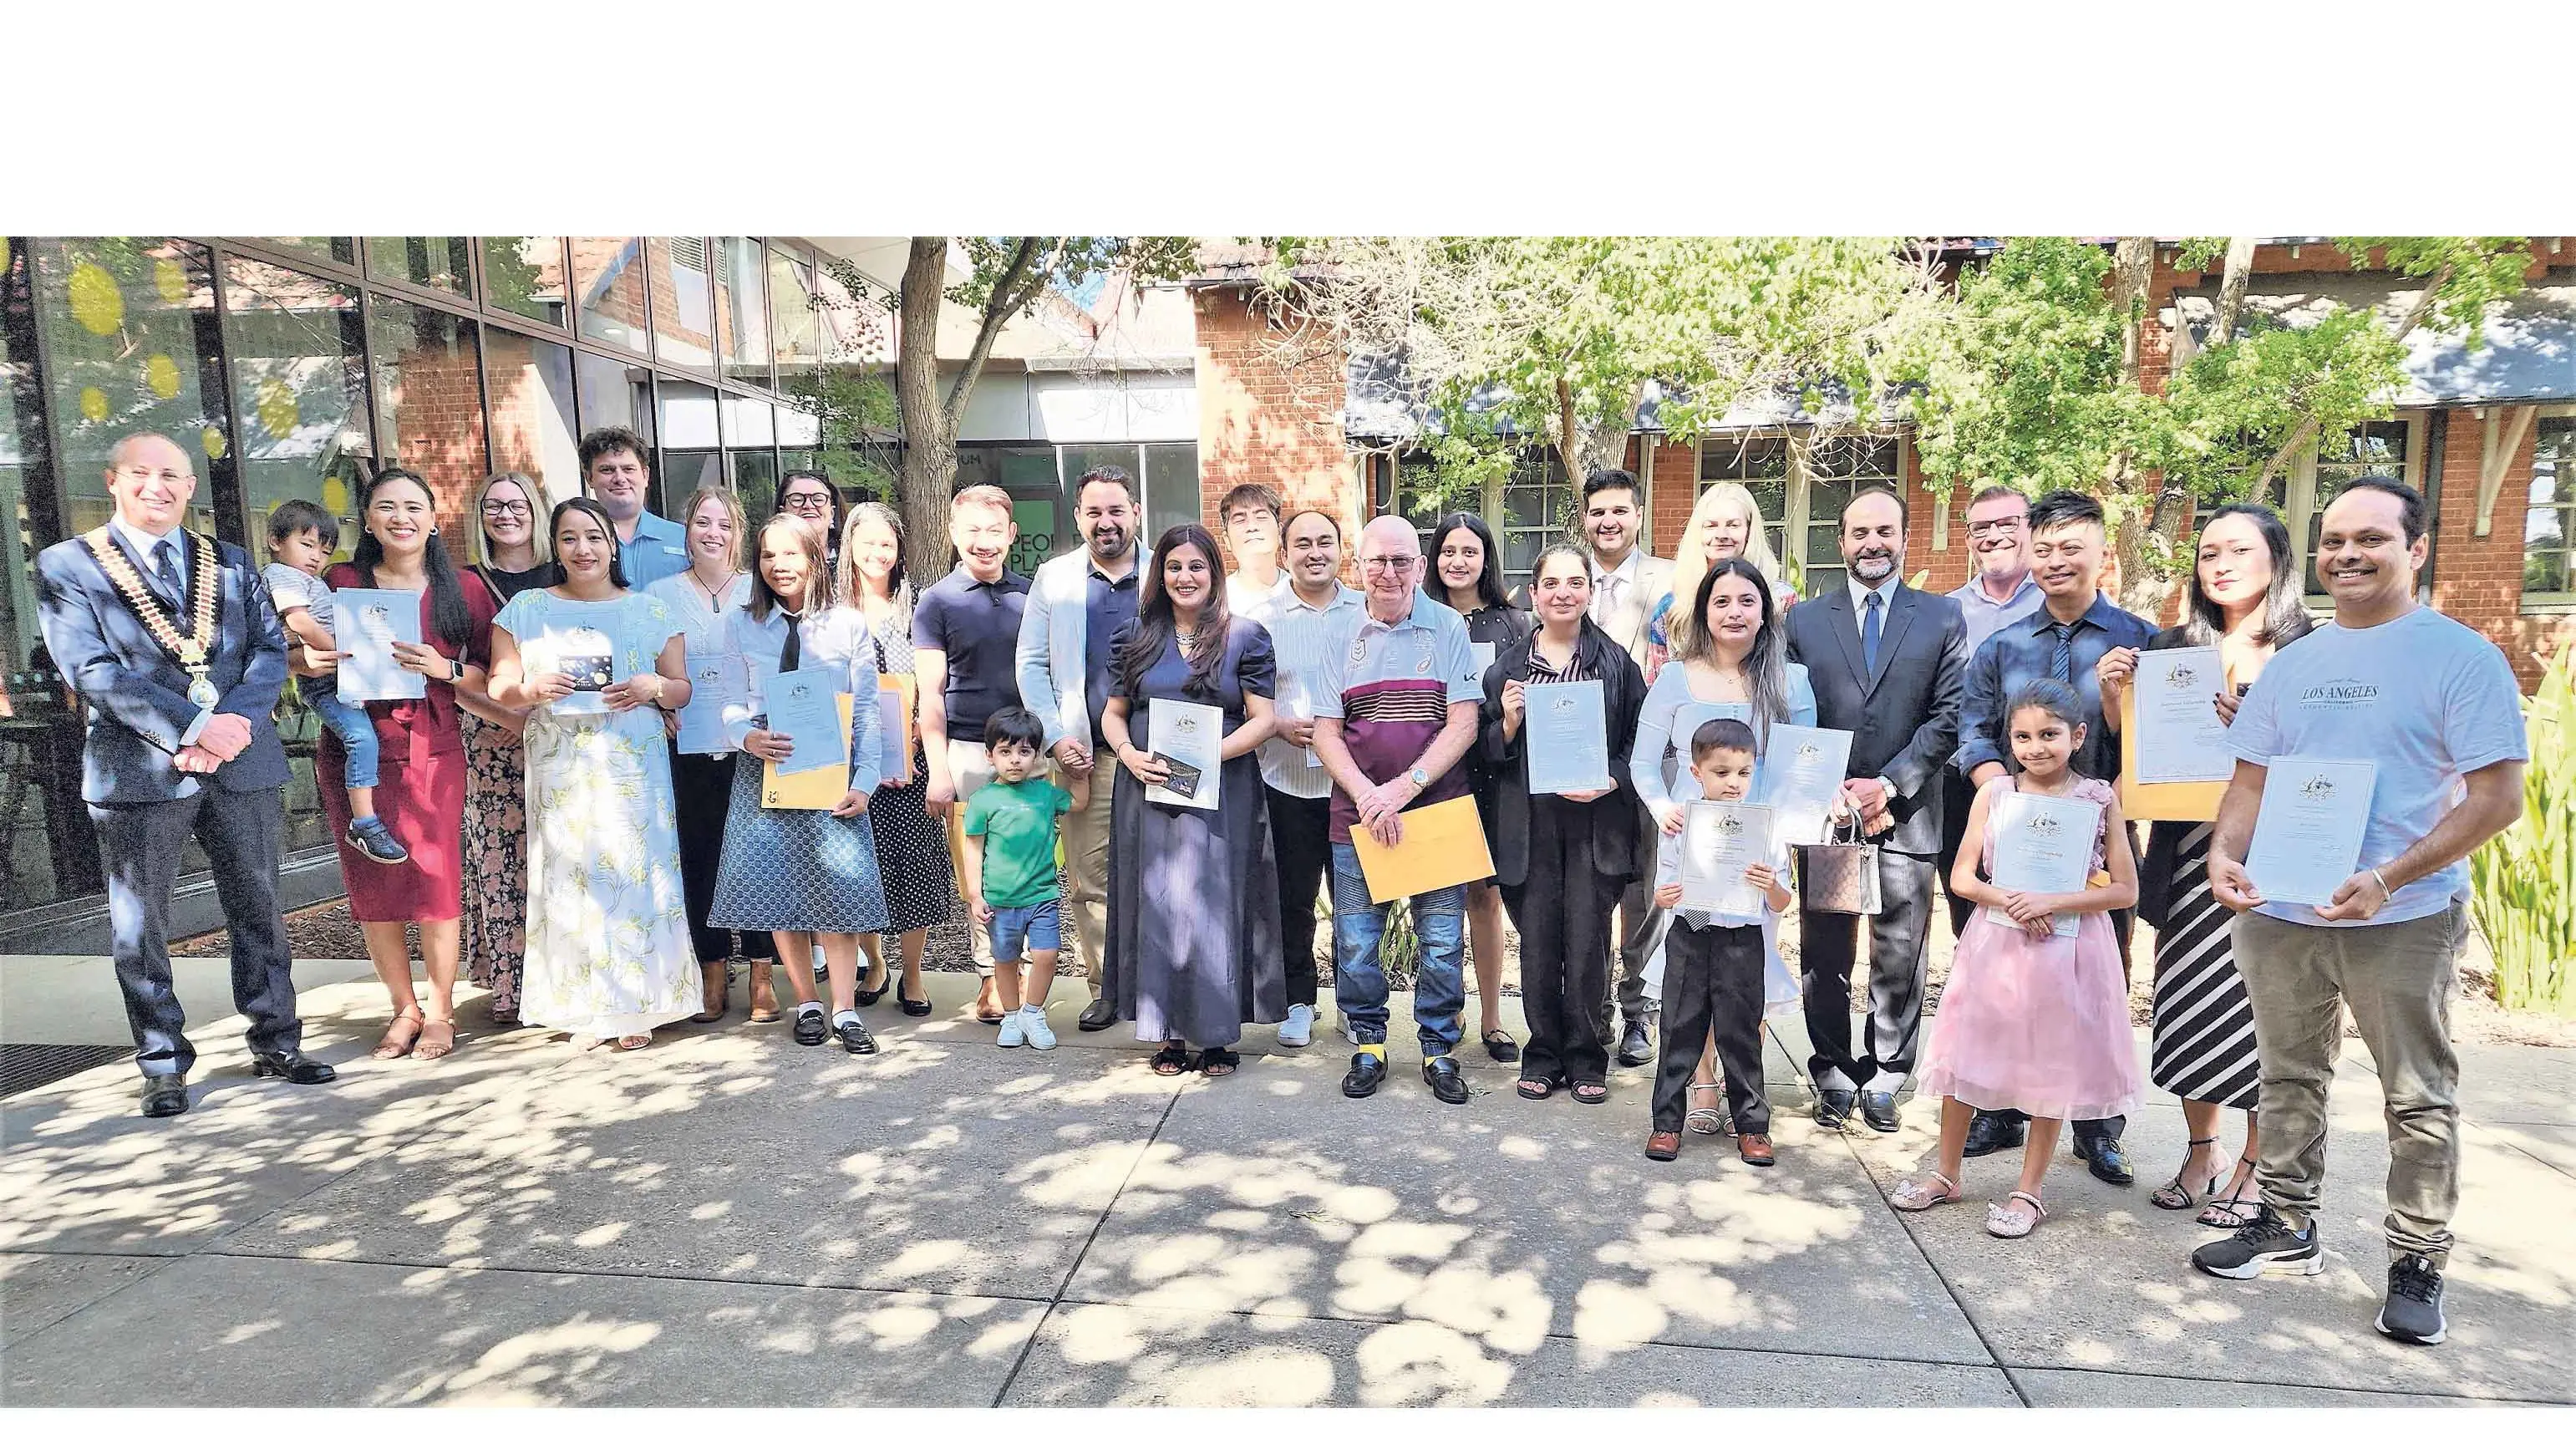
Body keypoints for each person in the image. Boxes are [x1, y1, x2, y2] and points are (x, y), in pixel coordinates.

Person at [2191, 478, 2527, 1350]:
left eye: (2369, 539)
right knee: (2286, 1077)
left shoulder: (2458, 656)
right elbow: (2251, 778)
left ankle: (2415, 1261)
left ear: (2414, 550)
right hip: (2281, 908)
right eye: (2333, 538)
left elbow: (2496, 799)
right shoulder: (2293, 662)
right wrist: (2223, 853)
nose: (2346, 553)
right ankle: (2287, 1224)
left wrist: (2388, 876)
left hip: (2402, 916)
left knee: (2415, 1098)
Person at [33, 432, 333, 1116]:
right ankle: (162, 1061)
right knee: (142, 922)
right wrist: (193, 727)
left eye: (170, 475)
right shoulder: (67, 565)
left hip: (240, 759)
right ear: (113, 481)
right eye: (141, 474)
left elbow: (265, 650)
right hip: (140, 768)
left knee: (259, 906)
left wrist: (228, 728)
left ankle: (277, 1039)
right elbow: (89, 669)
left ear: (190, 487)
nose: (156, 487)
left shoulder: (227, 563)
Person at [2096, 503, 2312, 1227]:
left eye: (2238, 550)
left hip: (2272, 861)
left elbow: (2324, 762)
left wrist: (2253, 731)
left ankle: (2256, 1166)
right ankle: (2200, 1149)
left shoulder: (2307, 652)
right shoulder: (2171, 647)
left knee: (2260, 1015)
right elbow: (2141, 752)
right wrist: (2112, 693)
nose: (2219, 564)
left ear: (2276, 560)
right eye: (2208, 552)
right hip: (2187, 857)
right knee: (2187, 1008)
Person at [1950, 488, 2154, 1184]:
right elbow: (1973, 730)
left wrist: (2114, 813)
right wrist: (2002, 805)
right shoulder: (2000, 647)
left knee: (2093, 984)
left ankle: (2097, 1126)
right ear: (2027, 554)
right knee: (2007, 979)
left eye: (2072, 547)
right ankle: (2000, 1108)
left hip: (2100, 844)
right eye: (2045, 548)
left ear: (2102, 552)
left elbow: (2154, 747)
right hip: (2013, 842)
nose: (2056, 560)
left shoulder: (2138, 639)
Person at [1895, 679, 2142, 1239]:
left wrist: (2054, 901)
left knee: (2047, 1065)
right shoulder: (1994, 795)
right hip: (1997, 942)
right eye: (2023, 736)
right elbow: (1962, 877)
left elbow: (2124, 890)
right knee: (1968, 1054)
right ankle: (1945, 1172)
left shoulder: (2098, 798)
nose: (2036, 747)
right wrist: (2009, 897)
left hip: (2066, 948)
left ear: (2077, 736)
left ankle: (2028, 1189)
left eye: (2049, 735)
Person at [1779, 486, 1969, 1134]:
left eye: (1883, 531)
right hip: (1828, 815)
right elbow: (1793, 717)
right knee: (1826, 951)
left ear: (1904, 535)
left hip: (1906, 812)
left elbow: (1949, 716)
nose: (1871, 544)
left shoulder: (1941, 618)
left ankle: (1887, 1072)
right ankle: (1831, 1070)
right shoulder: (1802, 621)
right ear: (1840, 543)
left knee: (1899, 950)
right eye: (1858, 533)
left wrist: (1885, 786)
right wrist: (1829, 790)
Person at [298, 469, 502, 1064]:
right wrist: (308, 656)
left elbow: (498, 673)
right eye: (386, 507)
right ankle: (402, 1007)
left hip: (432, 747)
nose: (401, 517)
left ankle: (440, 1011)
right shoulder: (338, 582)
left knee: (436, 881)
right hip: (354, 753)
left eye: (414, 507)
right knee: (374, 885)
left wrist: (445, 669)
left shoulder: (462, 587)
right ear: (367, 521)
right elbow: (290, 656)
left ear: (434, 521)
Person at [487, 498, 699, 1052]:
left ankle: (638, 1002)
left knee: (634, 872)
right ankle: (579, 1003)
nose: (583, 549)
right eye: (570, 538)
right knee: (571, 876)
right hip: (561, 762)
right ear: (554, 547)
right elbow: (497, 685)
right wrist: (530, 690)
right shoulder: (527, 609)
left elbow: (681, 688)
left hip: (632, 760)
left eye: (594, 537)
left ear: (613, 545)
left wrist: (654, 688)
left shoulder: (649, 610)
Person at [1629, 557, 1815, 1131]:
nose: (1734, 612)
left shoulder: (1791, 680)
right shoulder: (1674, 679)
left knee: (1747, 970)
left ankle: (1744, 1088)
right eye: (1721, 601)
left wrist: (1782, 835)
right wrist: (1663, 809)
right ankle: (1702, 1084)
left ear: (1765, 611)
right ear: (1704, 611)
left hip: (1756, 848)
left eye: (1746, 601)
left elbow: (1802, 770)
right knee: (1694, 968)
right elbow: (1642, 762)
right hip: (1692, 844)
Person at [1100, 522, 1284, 1078]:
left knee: (1213, 906)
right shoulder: (1133, 635)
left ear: (1213, 573)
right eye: (1174, 567)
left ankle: (1216, 1036)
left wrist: (1209, 755)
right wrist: (1128, 754)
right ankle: (1168, 1034)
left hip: (1222, 789)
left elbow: (1264, 719)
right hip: (1147, 787)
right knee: (1156, 902)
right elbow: (1111, 713)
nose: (1184, 577)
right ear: (1160, 574)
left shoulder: (1246, 636)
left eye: (1196, 567)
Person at [1313, 516, 1484, 1106]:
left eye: (1402, 561)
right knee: (1357, 941)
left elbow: (1463, 721)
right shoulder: (1338, 633)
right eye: (1377, 561)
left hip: (1435, 810)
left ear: (1419, 565)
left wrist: (1401, 790)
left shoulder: (1446, 626)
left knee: (1439, 942)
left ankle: (1438, 1049)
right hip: (1356, 815)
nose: (1389, 572)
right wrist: (1367, 794)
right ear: (1358, 567)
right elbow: (1325, 731)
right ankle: (1369, 1044)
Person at [707, 513, 890, 1053]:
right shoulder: (741, 624)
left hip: (829, 768)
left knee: (836, 890)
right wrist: (745, 736)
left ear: (816, 558)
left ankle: (845, 1010)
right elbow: (729, 703)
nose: (779, 565)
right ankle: (807, 1003)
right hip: (765, 768)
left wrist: (866, 780)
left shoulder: (847, 624)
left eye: (791, 554)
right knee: (781, 891)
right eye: (768, 555)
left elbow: (865, 714)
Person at [1481, 543, 1644, 1104]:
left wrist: (1612, 778)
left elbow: (1638, 745)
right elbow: (1484, 756)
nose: (1563, 594)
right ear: (1534, 593)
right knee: (1538, 945)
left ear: (1589, 592)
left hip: (1594, 825)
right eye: (1551, 584)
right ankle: (1542, 1052)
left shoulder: (1616, 663)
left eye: (1574, 583)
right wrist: (1505, 722)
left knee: (1588, 944)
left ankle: (1585, 1056)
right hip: (1528, 828)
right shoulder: (1506, 668)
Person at [1014, 466, 1142, 1034]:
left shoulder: (1169, 570)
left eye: (1115, 510)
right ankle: (1105, 987)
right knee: (1091, 880)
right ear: (1078, 518)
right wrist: (1055, 736)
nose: (1105, 522)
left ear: (1134, 512)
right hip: (1083, 754)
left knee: (1166, 873)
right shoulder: (1055, 578)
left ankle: (1160, 987)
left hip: (1161, 754)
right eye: (1094, 512)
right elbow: (1031, 663)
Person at [1645, 717, 1796, 1165]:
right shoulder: (1679, 824)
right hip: (1692, 930)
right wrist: (1665, 895)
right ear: (1697, 773)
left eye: (1744, 773)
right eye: (1722, 772)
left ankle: (1752, 1126)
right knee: (1678, 1028)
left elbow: (1783, 901)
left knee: (1741, 1033)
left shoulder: (1766, 828)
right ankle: (1666, 1123)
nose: (1734, 783)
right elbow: (1664, 888)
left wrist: (1770, 885)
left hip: (1742, 938)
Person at [1238, 506, 1364, 1049]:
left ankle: (1358, 1004)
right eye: (1303, 544)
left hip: (1354, 783)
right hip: (1285, 780)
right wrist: (1274, 725)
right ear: (1284, 554)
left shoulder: (1366, 612)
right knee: (1292, 900)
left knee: (1356, 902)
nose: (1315, 553)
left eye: (1325, 543)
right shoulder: (1260, 618)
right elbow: (1240, 700)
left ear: (1342, 550)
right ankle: (1298, 1001)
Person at [644, 484, 770, 1024]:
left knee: (759, 862)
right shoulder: (658, 594)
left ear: (737, 533)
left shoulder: (758, 590)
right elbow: (650, 669)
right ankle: (712, 969)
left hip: (752, 749)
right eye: (702, 522)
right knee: (700, 859)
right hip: (689, 749)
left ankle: (764, 971)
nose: (712, 533)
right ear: (686, 531)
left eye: (723, 523)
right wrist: (660, 706)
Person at [917, 483, 1032, 1022]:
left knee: (1031, 863)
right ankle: (990, 972)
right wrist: (938, 768)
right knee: (981, 869)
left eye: (993, 531)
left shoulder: (1033, 596)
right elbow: (930, 692)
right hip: (966, 750)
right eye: (971, 532)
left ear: (1011, 534)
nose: (983, 543)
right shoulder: (936, 601)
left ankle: (1028, 968)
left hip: (1032, 752)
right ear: (954, 535)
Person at [843, 501, 956, 1019]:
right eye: (867, 542)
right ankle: (874, 961)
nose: (877, 552)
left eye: (886, 543)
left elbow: (938, 679)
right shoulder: (831, 608)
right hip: (851, 760)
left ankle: (912, 973)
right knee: (857, 868)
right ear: (849, 547)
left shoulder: (921, 605)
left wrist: (920, 728)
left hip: (912, 756)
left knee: (913, 869)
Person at [1431, 511, 1534, 1063]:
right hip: (1434, 777)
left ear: (1485, 559)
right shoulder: (1419, 618)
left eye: (1469, 551)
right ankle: (1444, 1012)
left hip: (1495, 776)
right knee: (1441, 900)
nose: (1458, 561)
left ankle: (1492, 1018)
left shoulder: (1514, 625)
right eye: (1448, 551)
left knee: (1485, 898)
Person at [1583, 467, 1676, 1069]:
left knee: (1644, 892)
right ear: (1584, 519)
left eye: (1619, 510)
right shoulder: (1562, 579)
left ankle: (1636, 1012)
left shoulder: (1670, 581)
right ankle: (1588, 1013)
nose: (1607, 522)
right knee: (1588, 891)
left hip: (1651, 762)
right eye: (1597, 512)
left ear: (1637, 515)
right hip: (1579, 765)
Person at [262, 499, 406, 864]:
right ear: (275, 541)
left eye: (324, 551)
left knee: (367, 739)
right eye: (306, 545)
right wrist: (350, 659)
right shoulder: (282, 576)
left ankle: (367, 818)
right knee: (360, 739)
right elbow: (302, 624)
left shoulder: (307, 580)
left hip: (340, 675)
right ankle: (364, 822)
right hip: (328, 677)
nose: (315, 558)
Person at [459, 471, 548, 1025]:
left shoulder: (564, 571)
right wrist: (508, 719)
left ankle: (569, 980)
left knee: (562, 861)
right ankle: (513, 989)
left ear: (537, 511)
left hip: (567, 738)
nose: (506, 514)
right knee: (505, 864)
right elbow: (455, 670)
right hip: (493, 741)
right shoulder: (465, 584)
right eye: (494, 506)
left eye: (517, 504)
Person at [1941, 484, 2044, 941]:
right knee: (1971, 914)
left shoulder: (2054, 603)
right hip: (1964, 782)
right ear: (1967, 539)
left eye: (2008, 524)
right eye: (1981, 527)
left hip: (2049, 779)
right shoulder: (1946, 612)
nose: (1994, 535)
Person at [964, 707, 1073, 1049]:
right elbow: (973, 849)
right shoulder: (983, 800)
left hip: (1042, 895)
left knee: (1046, 955)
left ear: (1037, 756)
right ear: (989, 755)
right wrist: (974, 895)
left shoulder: (1045, 794)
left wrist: (1079, 773)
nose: (1014, 760)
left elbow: (1080, 803)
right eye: (1005, 751)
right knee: (1005, 959)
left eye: (1024, 751)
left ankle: (1033, 1012)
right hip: (1000, 899)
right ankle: (1011, 1016)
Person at [1649, 481, 1793, 678]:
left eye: (1733, 525)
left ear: (1750, 531)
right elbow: (1656, 683)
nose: (1721, 535)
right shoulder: (1672, 607)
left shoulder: (1782, 599)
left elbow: (1792, 672)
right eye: (1711, 526)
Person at [580, 426, 688, 589]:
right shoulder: (577, 545)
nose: (619, 478)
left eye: (628, 469)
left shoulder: (684, 539)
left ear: (645, 476)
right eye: (607, 470)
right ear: (589, 478)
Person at [1220, 482, 1290, 608]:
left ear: (1280, 531)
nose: (1252, 527)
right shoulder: (1214, 602)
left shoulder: (1302, 593)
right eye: (1240, 520)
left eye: (1261, 517)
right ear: (1226, 540)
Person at [775, 469, 846, 571]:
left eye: (818, 499)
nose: (808, 505)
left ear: (831, 513)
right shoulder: (771, 560)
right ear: (782, 512)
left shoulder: (851, 559)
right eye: (797, 500)